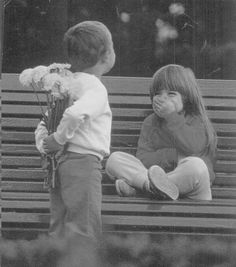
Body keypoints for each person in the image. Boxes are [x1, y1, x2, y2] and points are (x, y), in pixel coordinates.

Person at [35, 21, 116, 241]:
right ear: (106, 56)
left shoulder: (67, 84)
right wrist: (59, 139)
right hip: (84, 163)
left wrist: (46, 144)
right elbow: (73, 115)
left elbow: (46, 122)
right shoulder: (96, 89)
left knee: (59, 226)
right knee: (84, 226)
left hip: (59, 164)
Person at [105, 64, 217, 201]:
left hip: (192, 191)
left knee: (197, 166)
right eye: (158, 93)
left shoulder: (196, 119)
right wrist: (172, 156)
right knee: (115, 160)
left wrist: (171, 117)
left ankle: (144, 189)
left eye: (171, 94)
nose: (163, 98)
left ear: (186, 97)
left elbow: (193, 147)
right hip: (152, 179)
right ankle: (152, 186)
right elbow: (143, 159)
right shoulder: (150, 122)